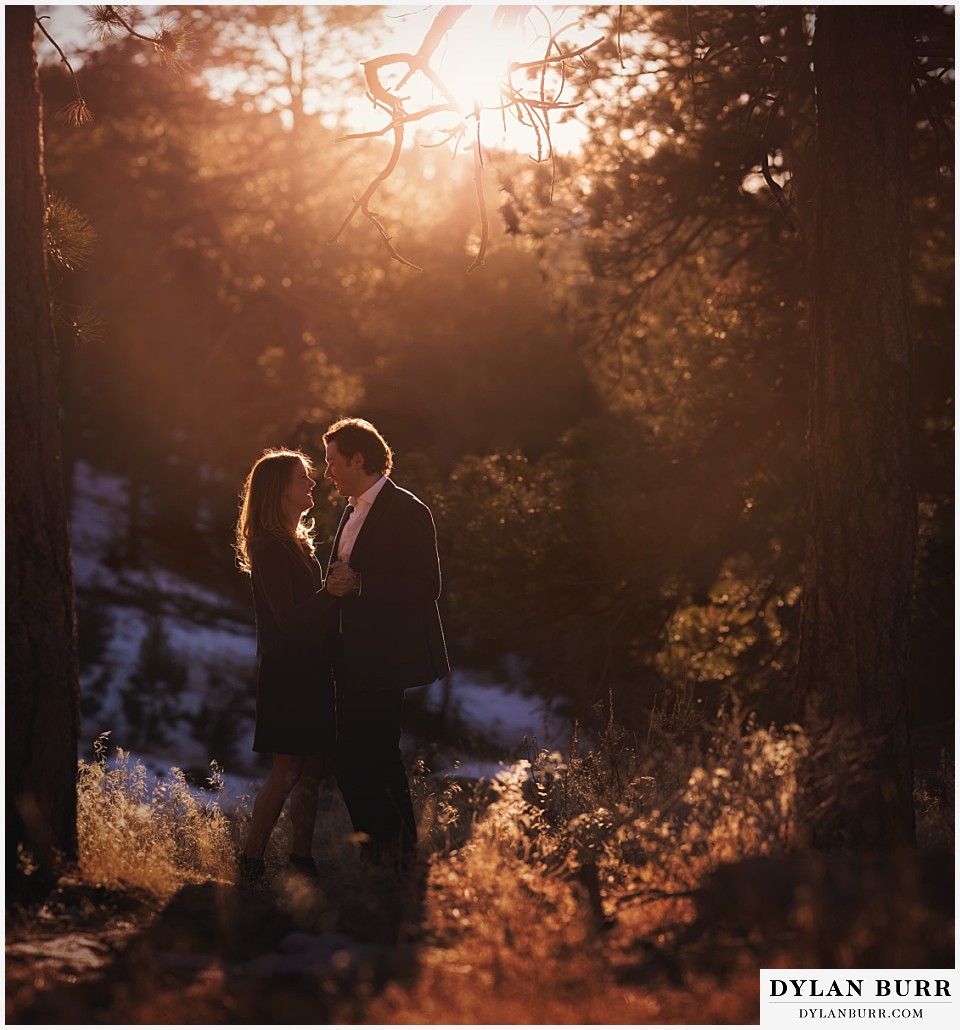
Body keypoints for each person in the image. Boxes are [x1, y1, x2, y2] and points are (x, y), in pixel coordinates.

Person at [322, 417, 449, 872]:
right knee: (350, 758)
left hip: (384, 658)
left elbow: (427, 586)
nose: (326, 471)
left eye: (333, 461)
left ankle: (397, 860)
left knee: (375, 756)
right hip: (350, 656)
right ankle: (381, 855)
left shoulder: (408, 510)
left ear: (360, 459)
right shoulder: (352, 507)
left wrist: (359, 585)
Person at [234, 447, 353, 887]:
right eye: (302, 477)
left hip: (314, 672)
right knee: (286, 771)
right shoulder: (269, 547)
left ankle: (301, 862)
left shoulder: (297, 544)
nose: (312, 482)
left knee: (312, 771)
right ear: (278, 489)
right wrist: (331, 593)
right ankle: (249, 861)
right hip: (288, 673)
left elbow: (313, 613)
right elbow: (287, 618)